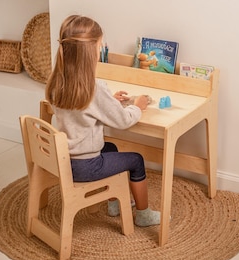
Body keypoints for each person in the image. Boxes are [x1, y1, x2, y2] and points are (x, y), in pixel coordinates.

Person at [45, 15, 160, 227]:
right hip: (86, 166)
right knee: (136, 160)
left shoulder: (57, 82)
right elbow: (124, 120)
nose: (101, 49)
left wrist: (109, 101)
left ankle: (114, 203)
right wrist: (139, 105)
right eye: (100, 45)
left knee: (111, 147)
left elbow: (81, 112)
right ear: (91, 52)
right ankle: (144, 214)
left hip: (63, 159)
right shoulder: (94, 89)